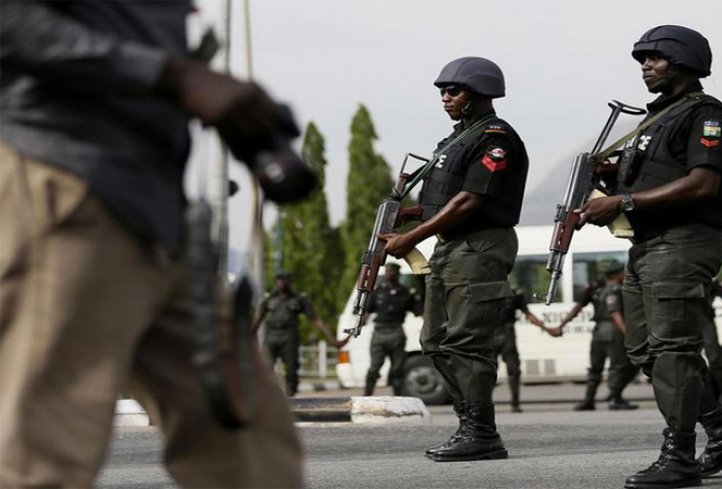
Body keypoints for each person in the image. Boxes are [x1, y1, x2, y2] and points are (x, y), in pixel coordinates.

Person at [0, 2, 305, 486]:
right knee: (43, 456)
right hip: (66, 185)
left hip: (157, 210)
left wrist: (232, 110)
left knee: (247, 435)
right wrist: (174, 76)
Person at [579, 25, 722, 488]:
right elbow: (644, 186)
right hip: (647, 245)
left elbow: (703, 183)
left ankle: (679, 454)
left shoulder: (706, 115)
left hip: (683, 242)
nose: (645, 66)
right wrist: (609, 182)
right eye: (642, 59)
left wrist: (620, 203)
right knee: (645, 350)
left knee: (674, 349)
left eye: (654, 58)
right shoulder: (654, 122)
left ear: (682, 62)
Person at [380, 56, 529, 462]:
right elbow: (444, 202)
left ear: (479, 95)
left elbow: (470, 200)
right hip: (451, 247)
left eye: (454, 91)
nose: (445, 98)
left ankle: (481, 432)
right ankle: (470, 423)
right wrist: (408, 215)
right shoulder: (454, 141)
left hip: (479, 247)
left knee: (468, 342)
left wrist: (412, 237)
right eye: (442, 91)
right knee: (434, 340)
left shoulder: (494, 138)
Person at [555, 260, 640, 411]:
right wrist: (628, 333)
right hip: (613, 331)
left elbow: (578, 307)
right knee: (618, 366)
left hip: (598, 331)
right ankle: (615, 398)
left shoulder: (598, 288)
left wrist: (561, 325)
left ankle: (589, 399)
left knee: (595, 368)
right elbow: (614, 313)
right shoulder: (615, 289)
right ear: (617, 273)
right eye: (623, 272)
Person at [252, 272, 343, 397]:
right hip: (271, 336)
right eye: (278, 280)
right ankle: (264, 400)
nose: (280, 283)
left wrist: (332, 340)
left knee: (291, 371)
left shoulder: (299, 299)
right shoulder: (269, 299)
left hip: (289, 336)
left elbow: (316, 319)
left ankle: (291, 400)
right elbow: (257, 320)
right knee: (264, 369)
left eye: (284, 280)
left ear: (290, 282)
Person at [362, 262, 422, 396]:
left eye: (391, 271)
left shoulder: (406, 292)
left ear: (397, 273)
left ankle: (398, 398)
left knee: (397, 369)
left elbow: (418, 311)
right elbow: (367, 312)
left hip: (396, 331)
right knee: (374, 368)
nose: (388, 274)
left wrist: (420, 291)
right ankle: (366, 396)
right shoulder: (378, 292)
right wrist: (359, 325)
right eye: (387, 271)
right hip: (379, 332)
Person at [496, 288, 550, 413]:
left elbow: (528, 314)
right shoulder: (487, 289)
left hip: (505, 334)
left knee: (513, 371)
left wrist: (545, 328)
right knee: (487, 372)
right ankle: (481, 406)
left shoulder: (513, 294)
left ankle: (515, 403)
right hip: (493, 334)